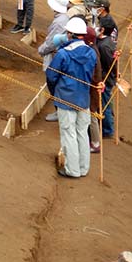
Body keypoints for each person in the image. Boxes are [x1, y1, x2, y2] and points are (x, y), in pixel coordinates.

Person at [46, 17, 97, 178]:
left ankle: (72, 169)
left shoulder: (63, 54)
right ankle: (83, 168)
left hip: (65, 97)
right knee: (82, 133)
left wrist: (56, 92)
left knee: (69, 134)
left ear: (70, 34)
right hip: (83, 99)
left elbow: (51, 75)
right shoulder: (91, 53)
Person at [39, 0, 70, 123]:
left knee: (54, 82)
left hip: (55, 55)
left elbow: (52, 42)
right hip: (58, 53)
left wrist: (42, 49)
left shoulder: (59, 22)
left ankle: (59, 111)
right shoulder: (64, 17)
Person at [96, 15, 118, 138]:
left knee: (104, 104)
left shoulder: (104, 46)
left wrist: (107, 78)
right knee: (105, 103)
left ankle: (108, 130)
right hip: (106, 78)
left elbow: (110, 65)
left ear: (103, 29)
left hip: (105, 79)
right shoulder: (106, 41)